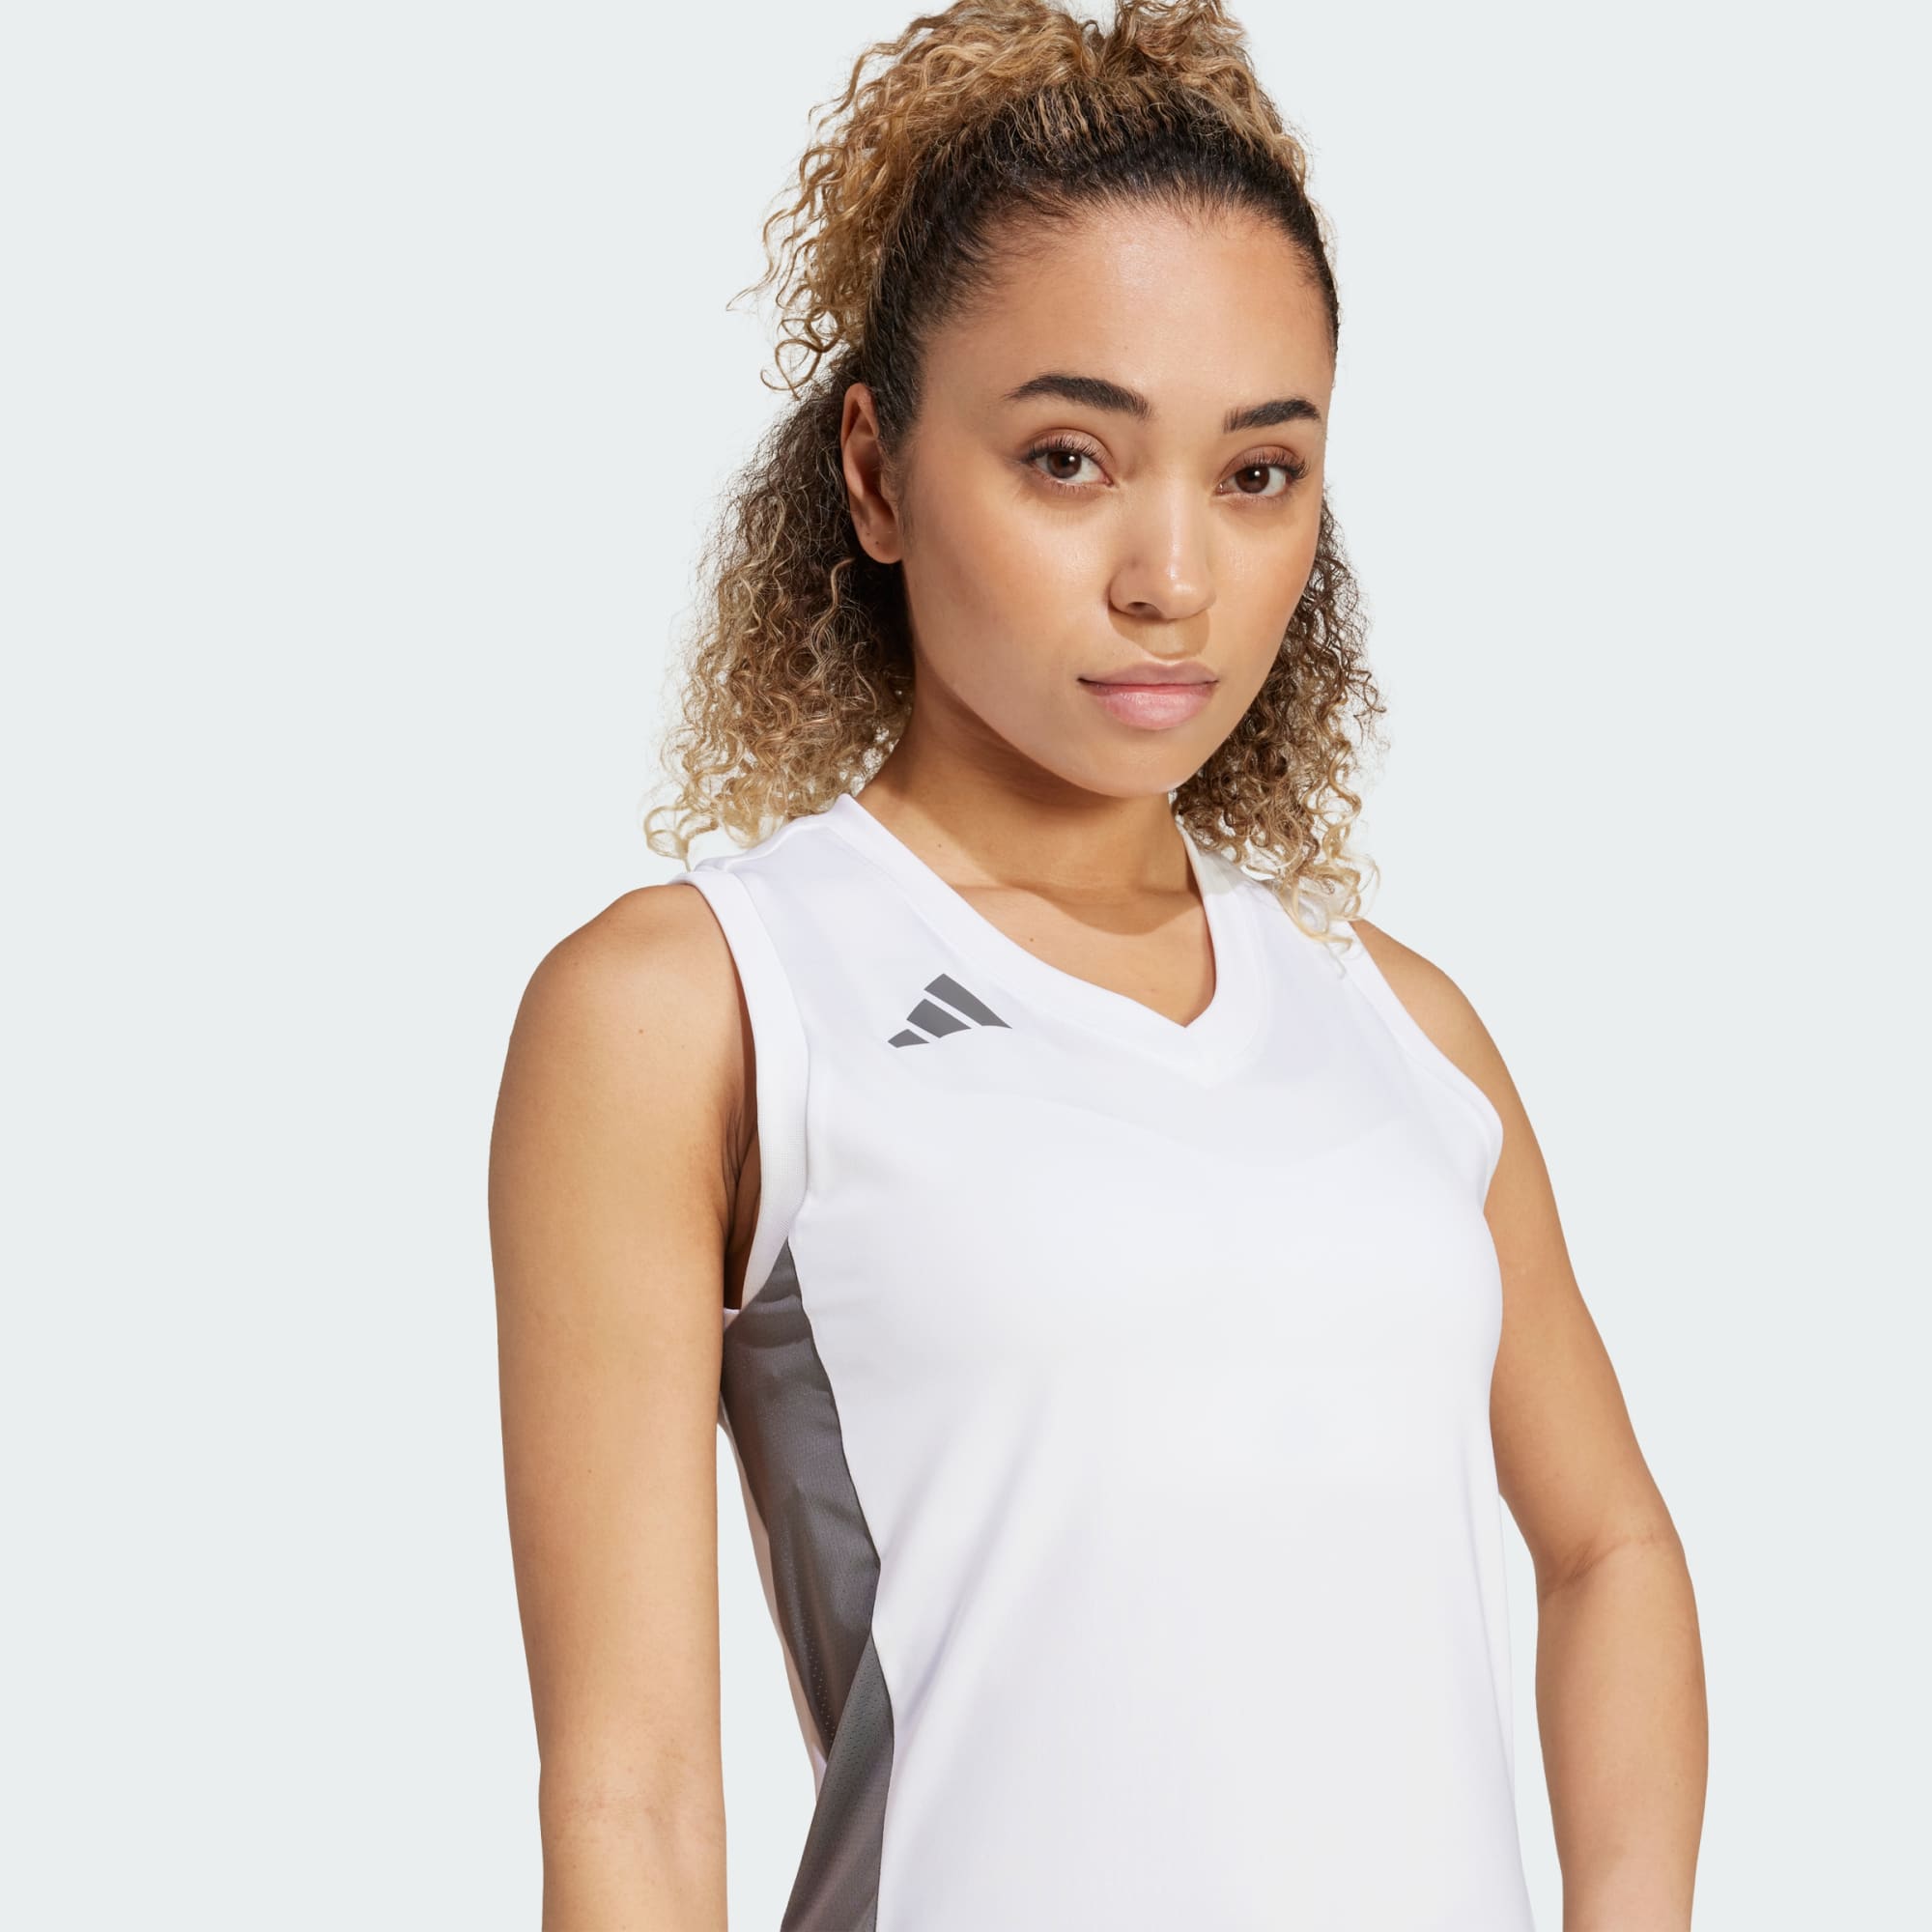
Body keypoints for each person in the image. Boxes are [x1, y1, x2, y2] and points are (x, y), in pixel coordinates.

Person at [488, 1, 1708, 1925]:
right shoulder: (704, 1004)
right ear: (876, 473)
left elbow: (1608, 1546)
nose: (1173, 579)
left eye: (1257, 473)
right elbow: (630, 1794)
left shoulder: (1399, 1026)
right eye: (1069, 459)